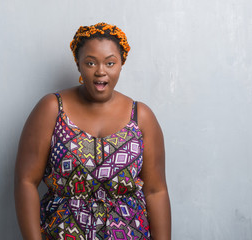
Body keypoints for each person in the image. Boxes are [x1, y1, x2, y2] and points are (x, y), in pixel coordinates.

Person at [14, 22, 171, 240]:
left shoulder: (140, 116)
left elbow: (156, 191)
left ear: (121, 64)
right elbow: (26, 181)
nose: (100, 71)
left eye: (110, 63)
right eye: (90, 63)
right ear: (78, 65)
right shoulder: (52, 109)